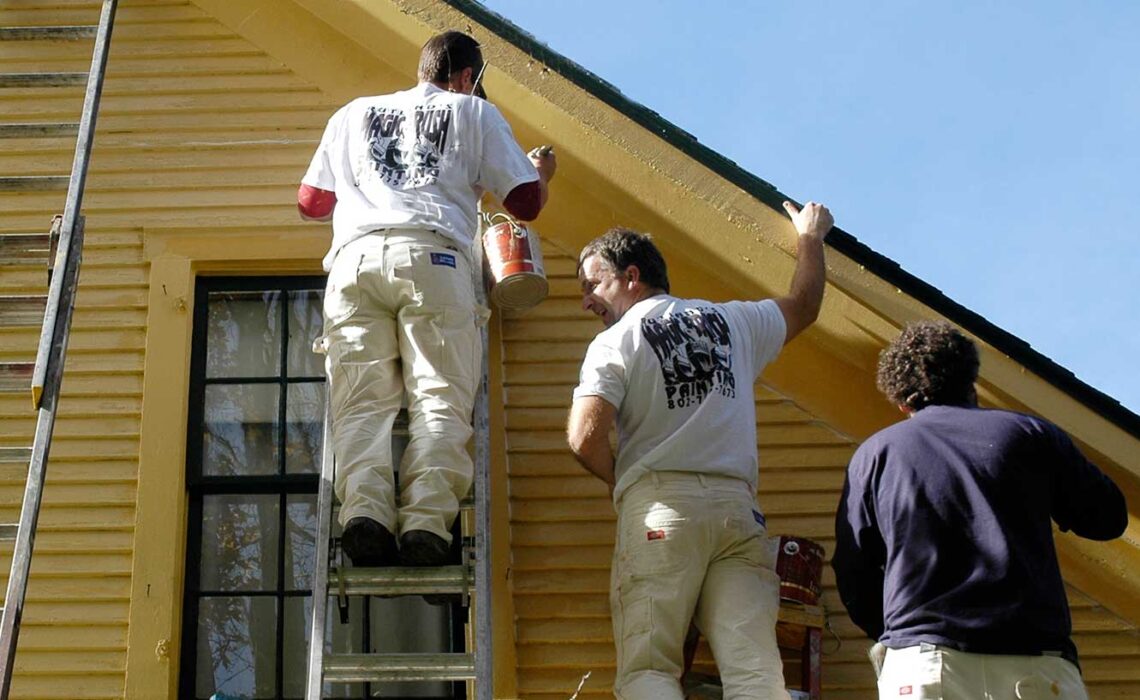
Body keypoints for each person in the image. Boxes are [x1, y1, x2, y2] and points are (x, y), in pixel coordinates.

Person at [298, 30, 557, 568]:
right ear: (467, 78)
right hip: (433, 260)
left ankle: (365, 514)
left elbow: (312, 202)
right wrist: (538, 174)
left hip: (356, 262)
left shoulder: (352, 113)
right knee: (438, 397)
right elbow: (526, 202)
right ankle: (424, 523)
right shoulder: (473, 113)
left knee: (362, 401)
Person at [566, 201, 834, 699]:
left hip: (660, 509)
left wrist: (622, 481)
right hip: (737, 513)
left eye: (593, 284)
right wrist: (811, 237)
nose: (587, 301)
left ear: (631, 275)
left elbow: (584, 437)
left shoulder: (615, 341)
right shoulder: (735, 323)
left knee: (650, 668)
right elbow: (805, 305)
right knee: (753, 666)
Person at [832, 321, 1128, 699]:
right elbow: (1107, 518)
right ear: (971, 379)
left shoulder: (875, 456)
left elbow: (853, 572)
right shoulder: (1030, 434)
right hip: (1035, 664)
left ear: (902, 400)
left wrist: (900, 630)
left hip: (925, 664)